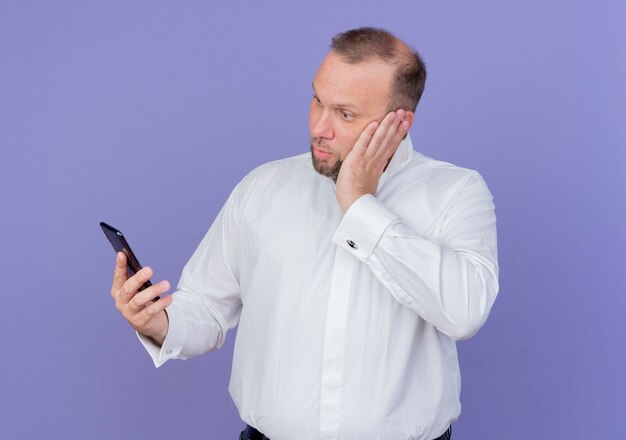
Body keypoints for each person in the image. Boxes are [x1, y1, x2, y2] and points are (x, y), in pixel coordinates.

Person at [110, 27, 499, 440]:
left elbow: (464, 312)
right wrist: (157, 324)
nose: (319, 127)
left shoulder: (456, 193)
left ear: (399, 124)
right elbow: (206, 308)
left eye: (345, 114)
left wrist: (360, 206)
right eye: (317, 100)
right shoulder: (262, 188)